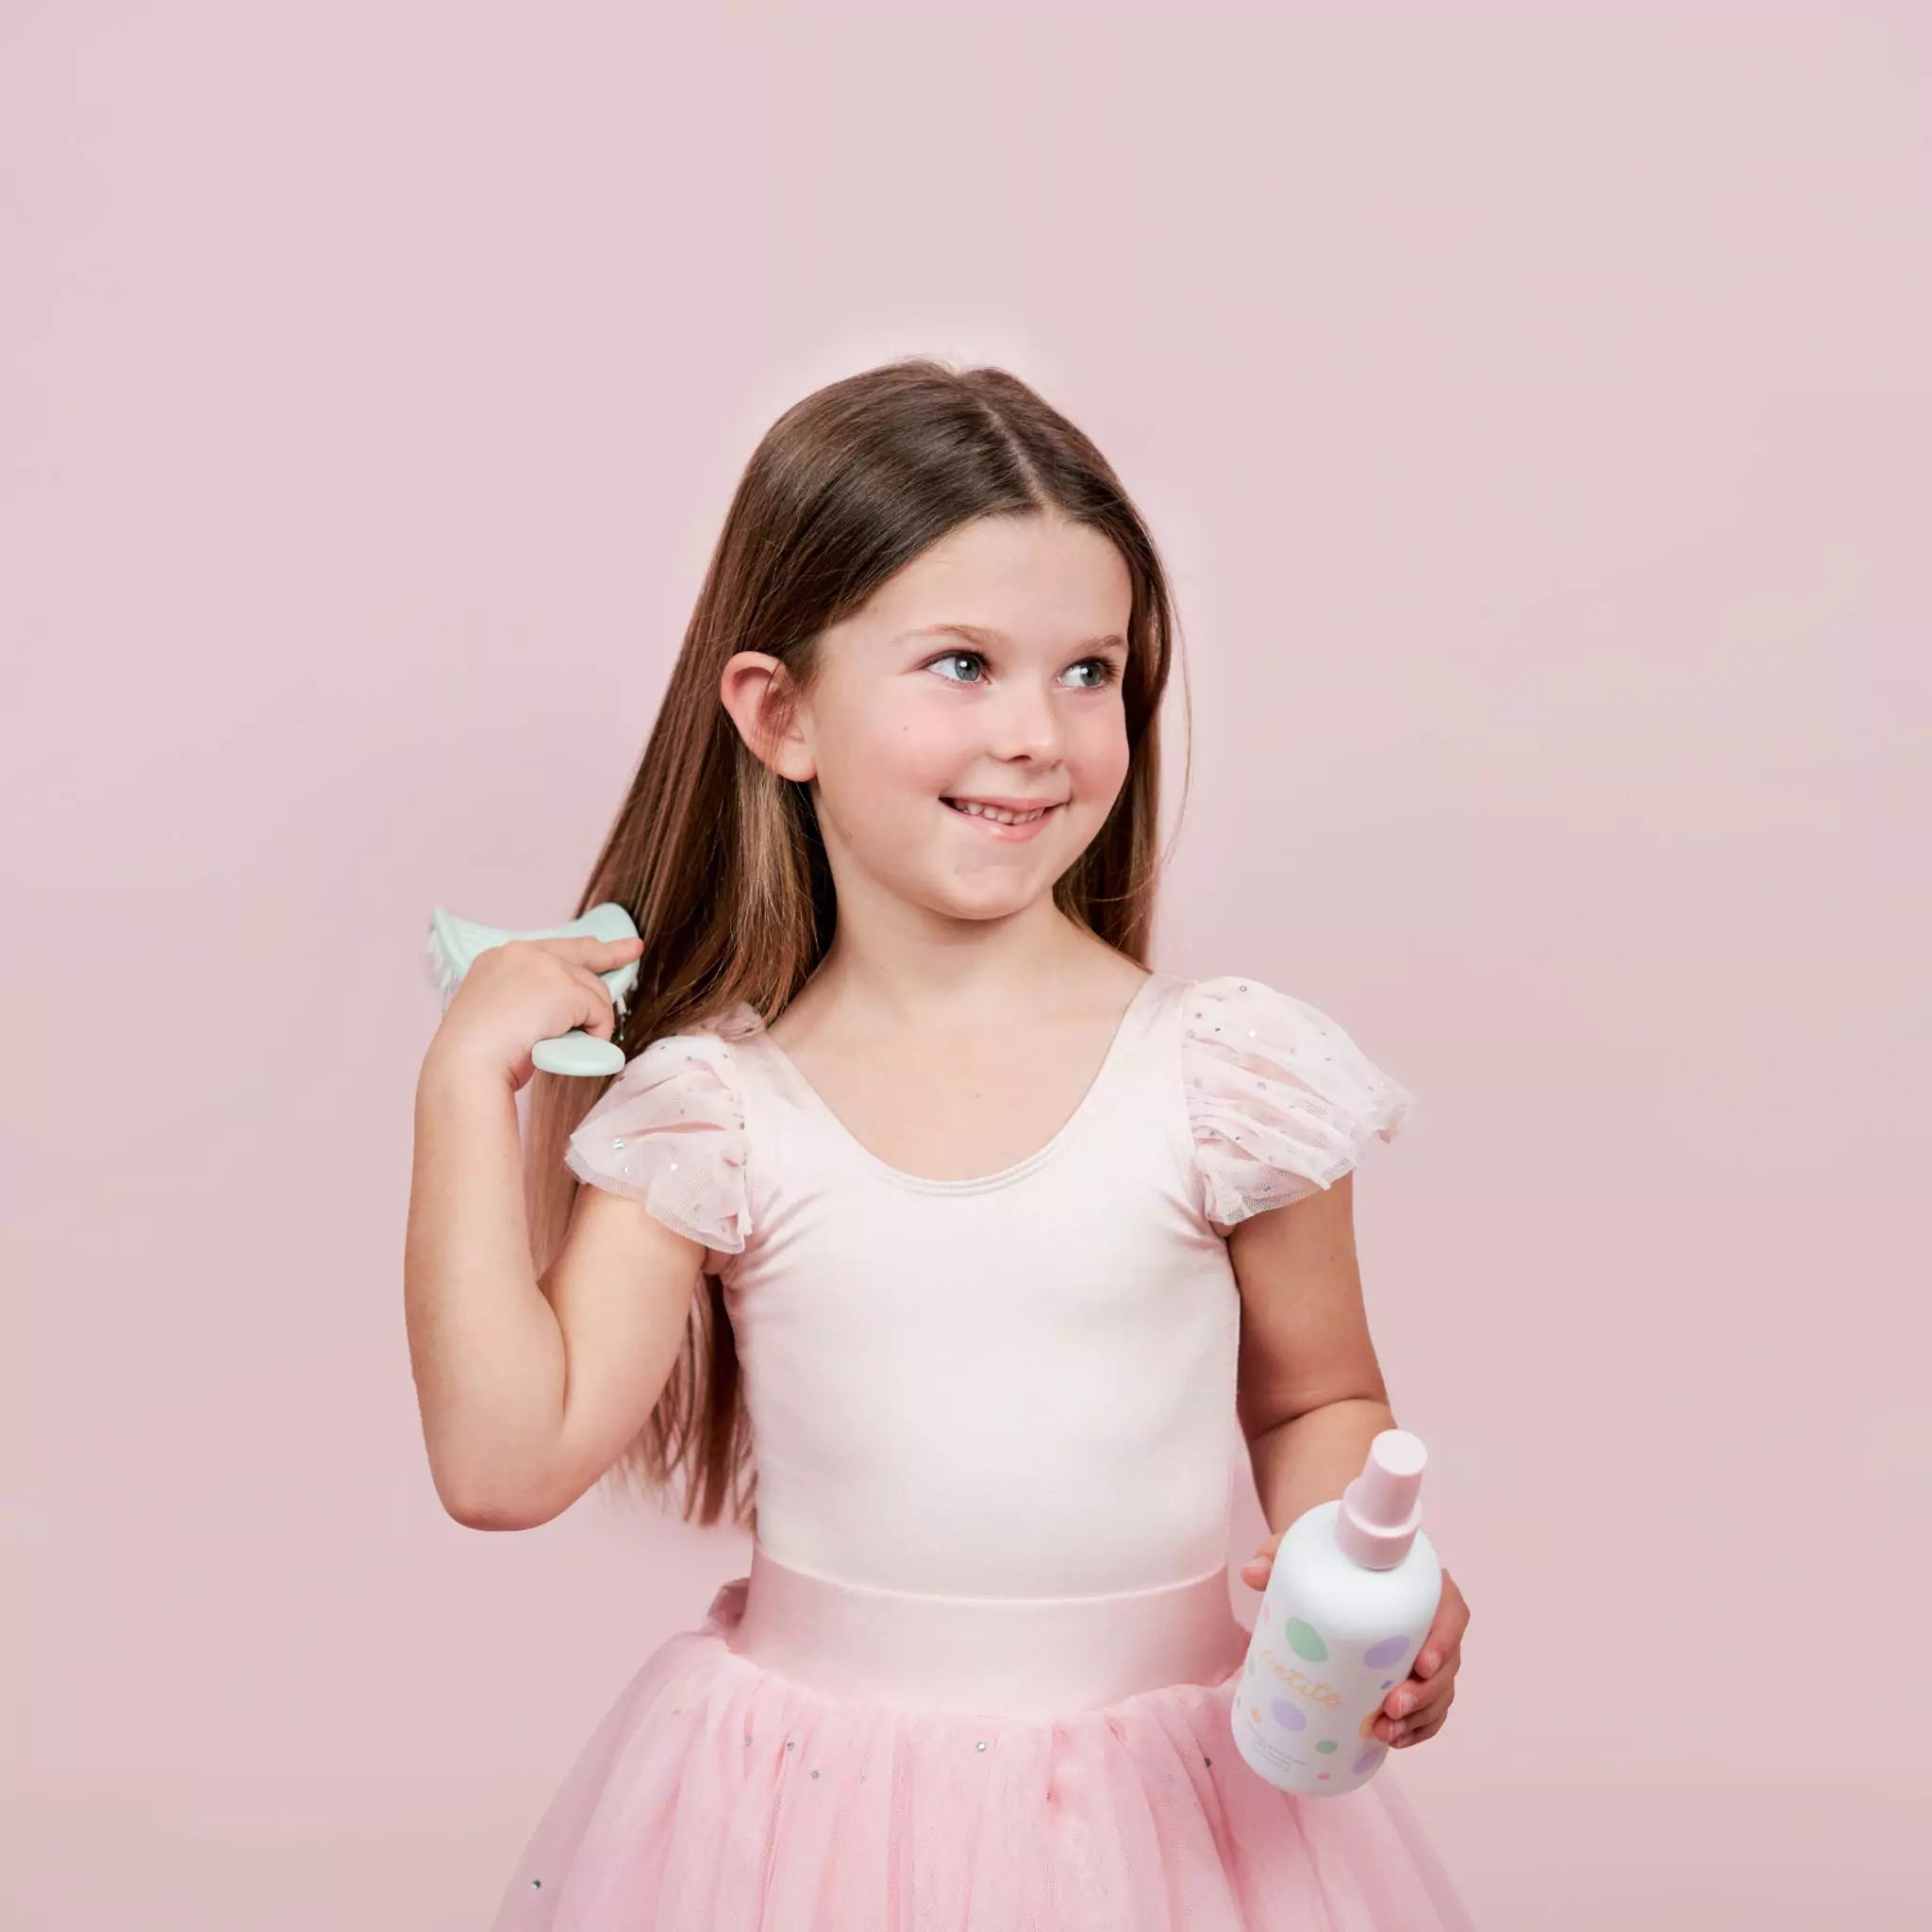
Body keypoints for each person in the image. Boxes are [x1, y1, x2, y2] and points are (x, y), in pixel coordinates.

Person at [405, 357, 1476, 1929]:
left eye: (1090, 672)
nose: (1039, 734)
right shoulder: (717, 1114)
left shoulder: (1230, 1076)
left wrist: (1366, 1585)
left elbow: (1321, 1394)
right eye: (963, 663)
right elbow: (504, 1465)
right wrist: (458, 1092)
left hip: (1172, 1828)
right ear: (781, 716)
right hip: (805, 1823)